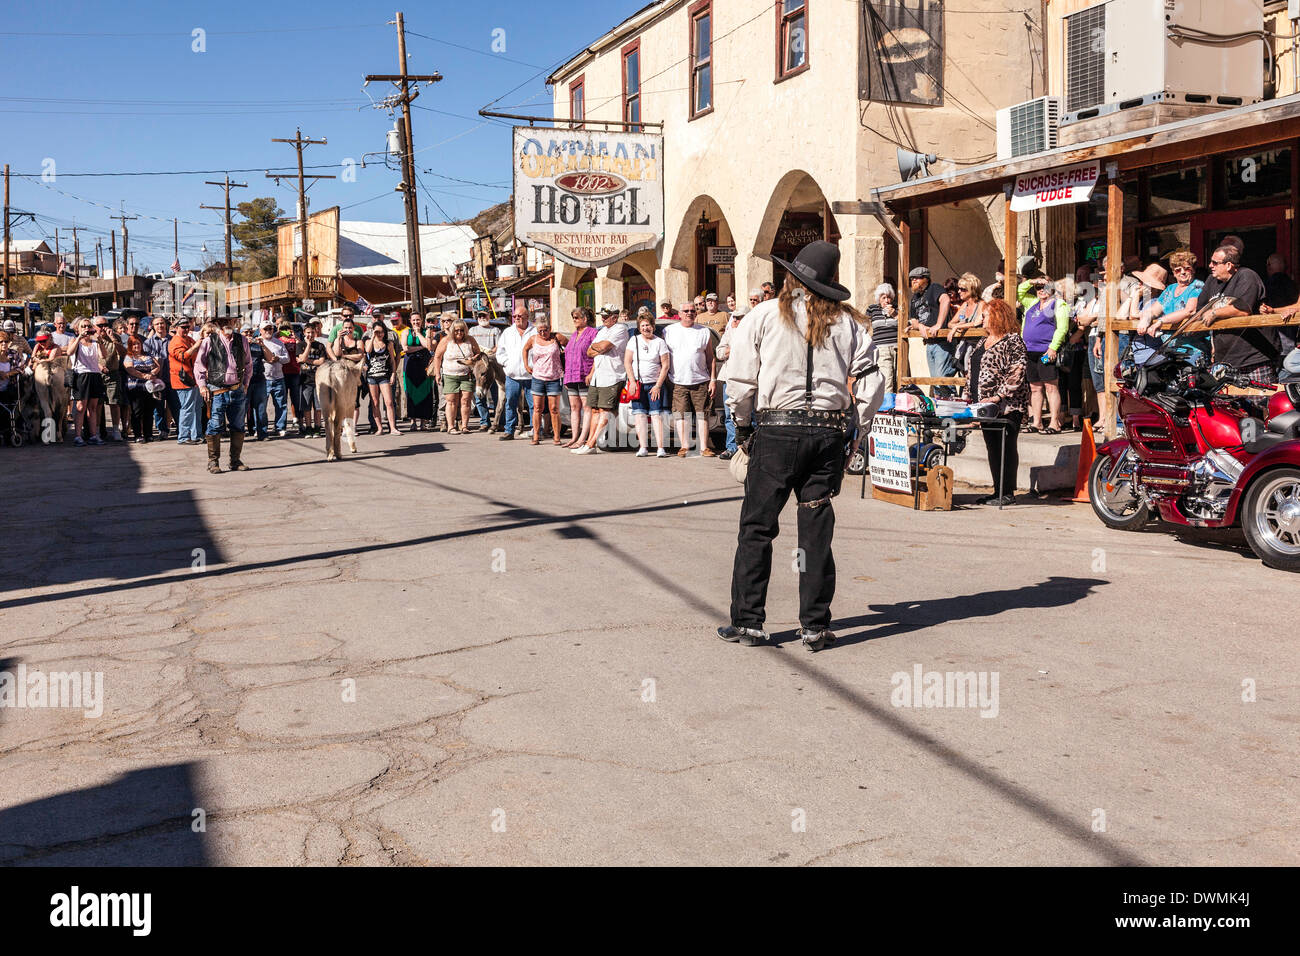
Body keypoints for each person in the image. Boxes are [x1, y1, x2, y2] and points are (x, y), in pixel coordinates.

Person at [720, 240, 883, 652]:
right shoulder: (849, 325)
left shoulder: (762, 316)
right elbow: (871, 384)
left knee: (758, 528)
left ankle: (750, 621)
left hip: (776, 433)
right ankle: (814, 624)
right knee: (814, 534)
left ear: (790, 276)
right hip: (827, 434)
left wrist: (741, 427)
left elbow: (739, 381)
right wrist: (858, 430)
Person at [974, 298, 1030, 506]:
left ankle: (1007, 492)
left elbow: (1018, 370)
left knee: (1005, 446)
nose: (982, 319)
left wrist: (999, 396)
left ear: (997, 316)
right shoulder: (983, 341)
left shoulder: (1012, 341)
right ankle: (997, 490)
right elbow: (974, 370)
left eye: (985, 315)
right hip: (984, 407)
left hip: (1007, 406)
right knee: (992, 447)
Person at [1196, 245, 1278, 382]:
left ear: (1228, 265)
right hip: (1224, 359)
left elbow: (1242, 309)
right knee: (1226, 403)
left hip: (1253, 358)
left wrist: (1215, 312)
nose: (1210, 265)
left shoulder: (1246, 276)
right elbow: (1200, 310)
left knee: (1257, 402)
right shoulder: (1212, 280)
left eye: (1215, 262)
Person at [194, 313, 253, 474]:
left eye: (230, 320)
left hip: (237, 389)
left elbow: (248, 364)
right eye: (223, 321)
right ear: (218, 324)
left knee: (238, 425)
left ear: (235, 322)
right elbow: (199, 365)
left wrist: (246, 383)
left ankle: (235, 461)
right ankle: (213, 462)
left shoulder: (243, 340)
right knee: (214, 425)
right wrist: (202, 386)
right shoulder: (208, 341)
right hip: (217, 390)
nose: (227, 323)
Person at [664, 300, 717, 457]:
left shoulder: (704, 331)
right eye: (686, 311)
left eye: (692, 311)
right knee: (681, 415)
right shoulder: (668, 331)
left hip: (700, 380)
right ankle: (685, 446)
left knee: (703, 414)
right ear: (679, 314)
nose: (689, 313)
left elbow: (710, 358)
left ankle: (704, 448)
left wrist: (713, 379)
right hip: (678, 381)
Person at [573, 305, 629, 455]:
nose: (603, 318)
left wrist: (599, 347)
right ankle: (589, 443)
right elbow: (590, 351)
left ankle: (591, 443)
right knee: (595, 410)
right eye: (602, 316)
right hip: (598, 376)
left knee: (605, 410)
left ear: (615, 317)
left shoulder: (620, 329)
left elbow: (605, 346)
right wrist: (599, 347)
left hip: (612, 376)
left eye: (606, 316)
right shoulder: (602, 331)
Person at [1016, 275, 1069, 433]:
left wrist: (1053, 348)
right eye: (1038, 288)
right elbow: (1020, 292)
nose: (1041, 290)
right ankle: (1037, 422)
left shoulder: (1059, 304)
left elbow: (1062, 328)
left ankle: (1054, 423)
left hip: (1046, 351)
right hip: (1029, 351)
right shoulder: (1032, 302)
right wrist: (1032, 282)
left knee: (1051, 387)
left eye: (1045, 287)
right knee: (1035, 387)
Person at [624, 310, 672, 457]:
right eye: (643, 325)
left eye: (648, 325)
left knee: (656, 415)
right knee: (640, 416)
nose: (646, 328)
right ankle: (643, 447)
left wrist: (658, 385)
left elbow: (665, 365)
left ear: (653, 326)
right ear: (639, 328)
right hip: (638, 384)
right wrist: (632, 382)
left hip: (654, 385)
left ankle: (660, 448)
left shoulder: (660, 342)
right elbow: (627, 361)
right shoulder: (634, 340)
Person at [907, 265, 956, 398]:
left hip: (942, 341)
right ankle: (942, 408)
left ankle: (953, 407)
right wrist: (920, 326)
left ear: (926, 279)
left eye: (917, 278)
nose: (914, 281)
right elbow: (913, 320)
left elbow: (945, 300)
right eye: (912, 279)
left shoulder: (934, 288)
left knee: (943, 378)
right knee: (935, 380)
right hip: (929, 343)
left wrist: (939, 324)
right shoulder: (915, 298)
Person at [523, 314, 568, 445]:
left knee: (554, 408)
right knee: (537, 408)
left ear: (550, 328)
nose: (543, 333)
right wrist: (526, 365)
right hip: (538, 378)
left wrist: (565, 359)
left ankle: (556, 436)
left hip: (554, 378)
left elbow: (570, 347)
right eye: (540, 331)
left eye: (545, 330)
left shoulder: (557, 337)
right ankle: (536, 436)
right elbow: (525, 350)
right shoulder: (533, 339)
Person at [64, 317, 108, 446]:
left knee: (93, 407)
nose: (86, 329)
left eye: (88, 326)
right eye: (83, 326)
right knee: (80, 407)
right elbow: (69, 352)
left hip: (95, 374)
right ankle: (78, 436)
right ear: (78, 328)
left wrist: (99, 341)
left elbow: (103, 356)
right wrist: (79, 338)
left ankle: (93, 435)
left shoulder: (95, 342)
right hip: (81, 376)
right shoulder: (75, 340)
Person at [433, 318, 479, 435]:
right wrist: (437, 373)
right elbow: (437, 356)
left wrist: (473, 359)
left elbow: (478, 353)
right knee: (451, 401)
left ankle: (464, 426)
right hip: (450, 375)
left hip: (466, 374)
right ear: (453, 330)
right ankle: (451, 426)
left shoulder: (470, 340)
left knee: (466, 401)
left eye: (462, 330)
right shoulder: (446, 340)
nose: (459, 333)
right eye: (457, 330)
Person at [495, 304, 534, 440]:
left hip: (530, 375)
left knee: (533, 404)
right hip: (512, 375)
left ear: (527, 317)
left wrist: (534, 365)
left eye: (520, 316)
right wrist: (507, 363)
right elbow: (500, 352)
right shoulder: (507, 332)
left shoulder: (534, 332)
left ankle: (535, 430)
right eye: (515, 316)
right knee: (510, 403)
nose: (516, 318)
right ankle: (509, 430)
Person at [563, 307, 597, 448]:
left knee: (587, 407)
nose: (574, 320)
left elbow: (596, 355)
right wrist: (566, 376)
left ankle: (583, 438)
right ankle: (574, 437)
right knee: (574, 407)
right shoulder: (573, 335)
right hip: (571, 375)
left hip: (584, 374)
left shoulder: (593, 333)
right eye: (573, 318)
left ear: (585, 319)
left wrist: (591, 373)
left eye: (577, 317)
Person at [715, 306, 747, 459]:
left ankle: (748, 448)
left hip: (748, 380)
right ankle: (731, 448)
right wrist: (733, 349)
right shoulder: (729, 333)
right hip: (729, 378)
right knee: (729, 416)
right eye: (734, 317)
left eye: (738, 317)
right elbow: (720, 352)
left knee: (749, 416)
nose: (734, 320)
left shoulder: (752, 333)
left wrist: (731, 350)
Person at [122, 336, 163, 443]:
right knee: (137, 412)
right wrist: (144, 376)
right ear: (130, 346)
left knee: (149, 411)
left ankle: (148, 434)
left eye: (138, 343)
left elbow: (157, 366)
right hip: (135, 388)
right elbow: (130, 370)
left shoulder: (148, 354)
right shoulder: (128, 357)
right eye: (134, 344)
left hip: (150, 388)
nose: (137, 346)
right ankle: (137, 435)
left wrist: (152, 373)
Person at [168, 317, 202, 445]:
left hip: (192, 379)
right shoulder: (175, 342)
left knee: (195, 408)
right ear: (176, 328)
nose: (186, 329)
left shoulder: (188, 339)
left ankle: (195, 435)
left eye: (188, 327)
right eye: (183, 327)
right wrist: (196, 346)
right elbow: (182, 356)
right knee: (187, 408)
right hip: (182, 380)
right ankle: (183, 436)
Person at [362, 320, 400, 435]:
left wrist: (393, 374)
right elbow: (367, 351)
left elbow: (392, 361)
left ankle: (392, 427)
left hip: (384, 375)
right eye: (377, 332)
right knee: (375, 402)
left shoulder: (389, 343)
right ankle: (379, 428)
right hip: (372, 376)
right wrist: (373, 336)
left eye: (382, 332)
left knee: (389, 402)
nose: (380, 334)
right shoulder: (369, 341)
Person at [400, 313, 434, 430]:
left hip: (424, 364)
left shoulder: (426, 332)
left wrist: (419, 333)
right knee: (411, 393)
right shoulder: (406, 332)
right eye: (413, 320)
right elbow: (405, 348)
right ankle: (413, 421)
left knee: (425, 392)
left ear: (422, 320)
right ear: (410, 321)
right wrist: (421, 347)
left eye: (418, 320)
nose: (416, 322)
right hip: (410, 365)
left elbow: (428, 346)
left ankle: (423, 422)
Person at [297, 319, 328, 437]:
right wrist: (308, 345)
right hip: (305, 380)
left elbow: (321, 361)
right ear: (304, 332)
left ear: (316, 333)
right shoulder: (300, 345)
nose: (310, 335)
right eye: (308, 332)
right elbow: (302, 358)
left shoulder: (320, 346)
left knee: (318, 406)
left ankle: (317, 427)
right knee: (306, 407)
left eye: (312, 333)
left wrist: (307, 360)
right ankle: (308, 427)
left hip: (319, 380)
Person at [143, 319, 174, 438]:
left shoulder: (173, 340)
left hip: (172, 377)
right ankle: (162, 430)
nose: (160, 326)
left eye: (162, 323)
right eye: (157, 324)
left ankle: (179, 429)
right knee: (158, 406)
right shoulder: (148, 342)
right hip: (156, 380)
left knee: (174, 405)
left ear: (166, 325)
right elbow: (144, 360)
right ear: (153, 326)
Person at [866, 284, 899, 391]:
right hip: (882, 349)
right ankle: (887, 406)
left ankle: (900, 406)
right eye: (883, 297)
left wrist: (895, 315)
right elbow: (864, 325)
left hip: (898, 348)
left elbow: (905, 325)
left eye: (889, 297)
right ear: (878, 299)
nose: (887, 300)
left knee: (900, 378)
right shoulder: (872, 309)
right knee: (887, 380)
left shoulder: (897, 308)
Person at [261, 321, 290, 437]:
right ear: (261, 330)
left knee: (281, 404)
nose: (268, 331)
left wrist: (278, 358)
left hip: (278, 377)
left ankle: (280, 427)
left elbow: (287, 358)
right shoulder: (259, 342)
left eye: (270, 329)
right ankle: (261, 428)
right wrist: (267, 359)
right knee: (261, 405)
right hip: (264, 378)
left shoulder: (279, 343)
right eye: (266, 329)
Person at [99, 319, 127, 441]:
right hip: (97, 374)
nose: (103, 327)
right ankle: (99, 431)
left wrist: (113, 338)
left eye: (105, 325)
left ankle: (116, 430)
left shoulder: (115, 337)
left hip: (113, 373)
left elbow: (123, 353)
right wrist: (99, 366)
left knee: (114, 403)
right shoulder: (92, 338)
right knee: (98, 404)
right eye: (100, 325)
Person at [277, 317, 302, 434]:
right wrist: (278, 333)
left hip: (294, 371)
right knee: (282, 399)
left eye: (287, 328)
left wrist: (295, 337)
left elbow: (301, 347)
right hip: (282, 372)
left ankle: (296, 419)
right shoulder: (278, 339)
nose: (285, 331)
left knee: (295, 397)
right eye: (283, 329)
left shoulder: (294, 340)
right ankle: (281, 423)